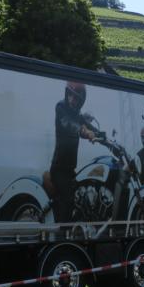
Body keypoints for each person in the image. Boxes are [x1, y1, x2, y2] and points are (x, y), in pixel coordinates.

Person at [49, 82, 95, 224]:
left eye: (76, 97)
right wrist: (83, 131)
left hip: (70, 169)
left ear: (81, 101)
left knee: (81, 197)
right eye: (70, 95)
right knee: (68, 199)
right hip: (59, 168)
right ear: (66, 93)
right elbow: (68, 123)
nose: (72, 99)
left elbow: (89, 126)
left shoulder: (77, 114)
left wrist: (103, 136)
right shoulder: (61, 107)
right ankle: (62, 234)